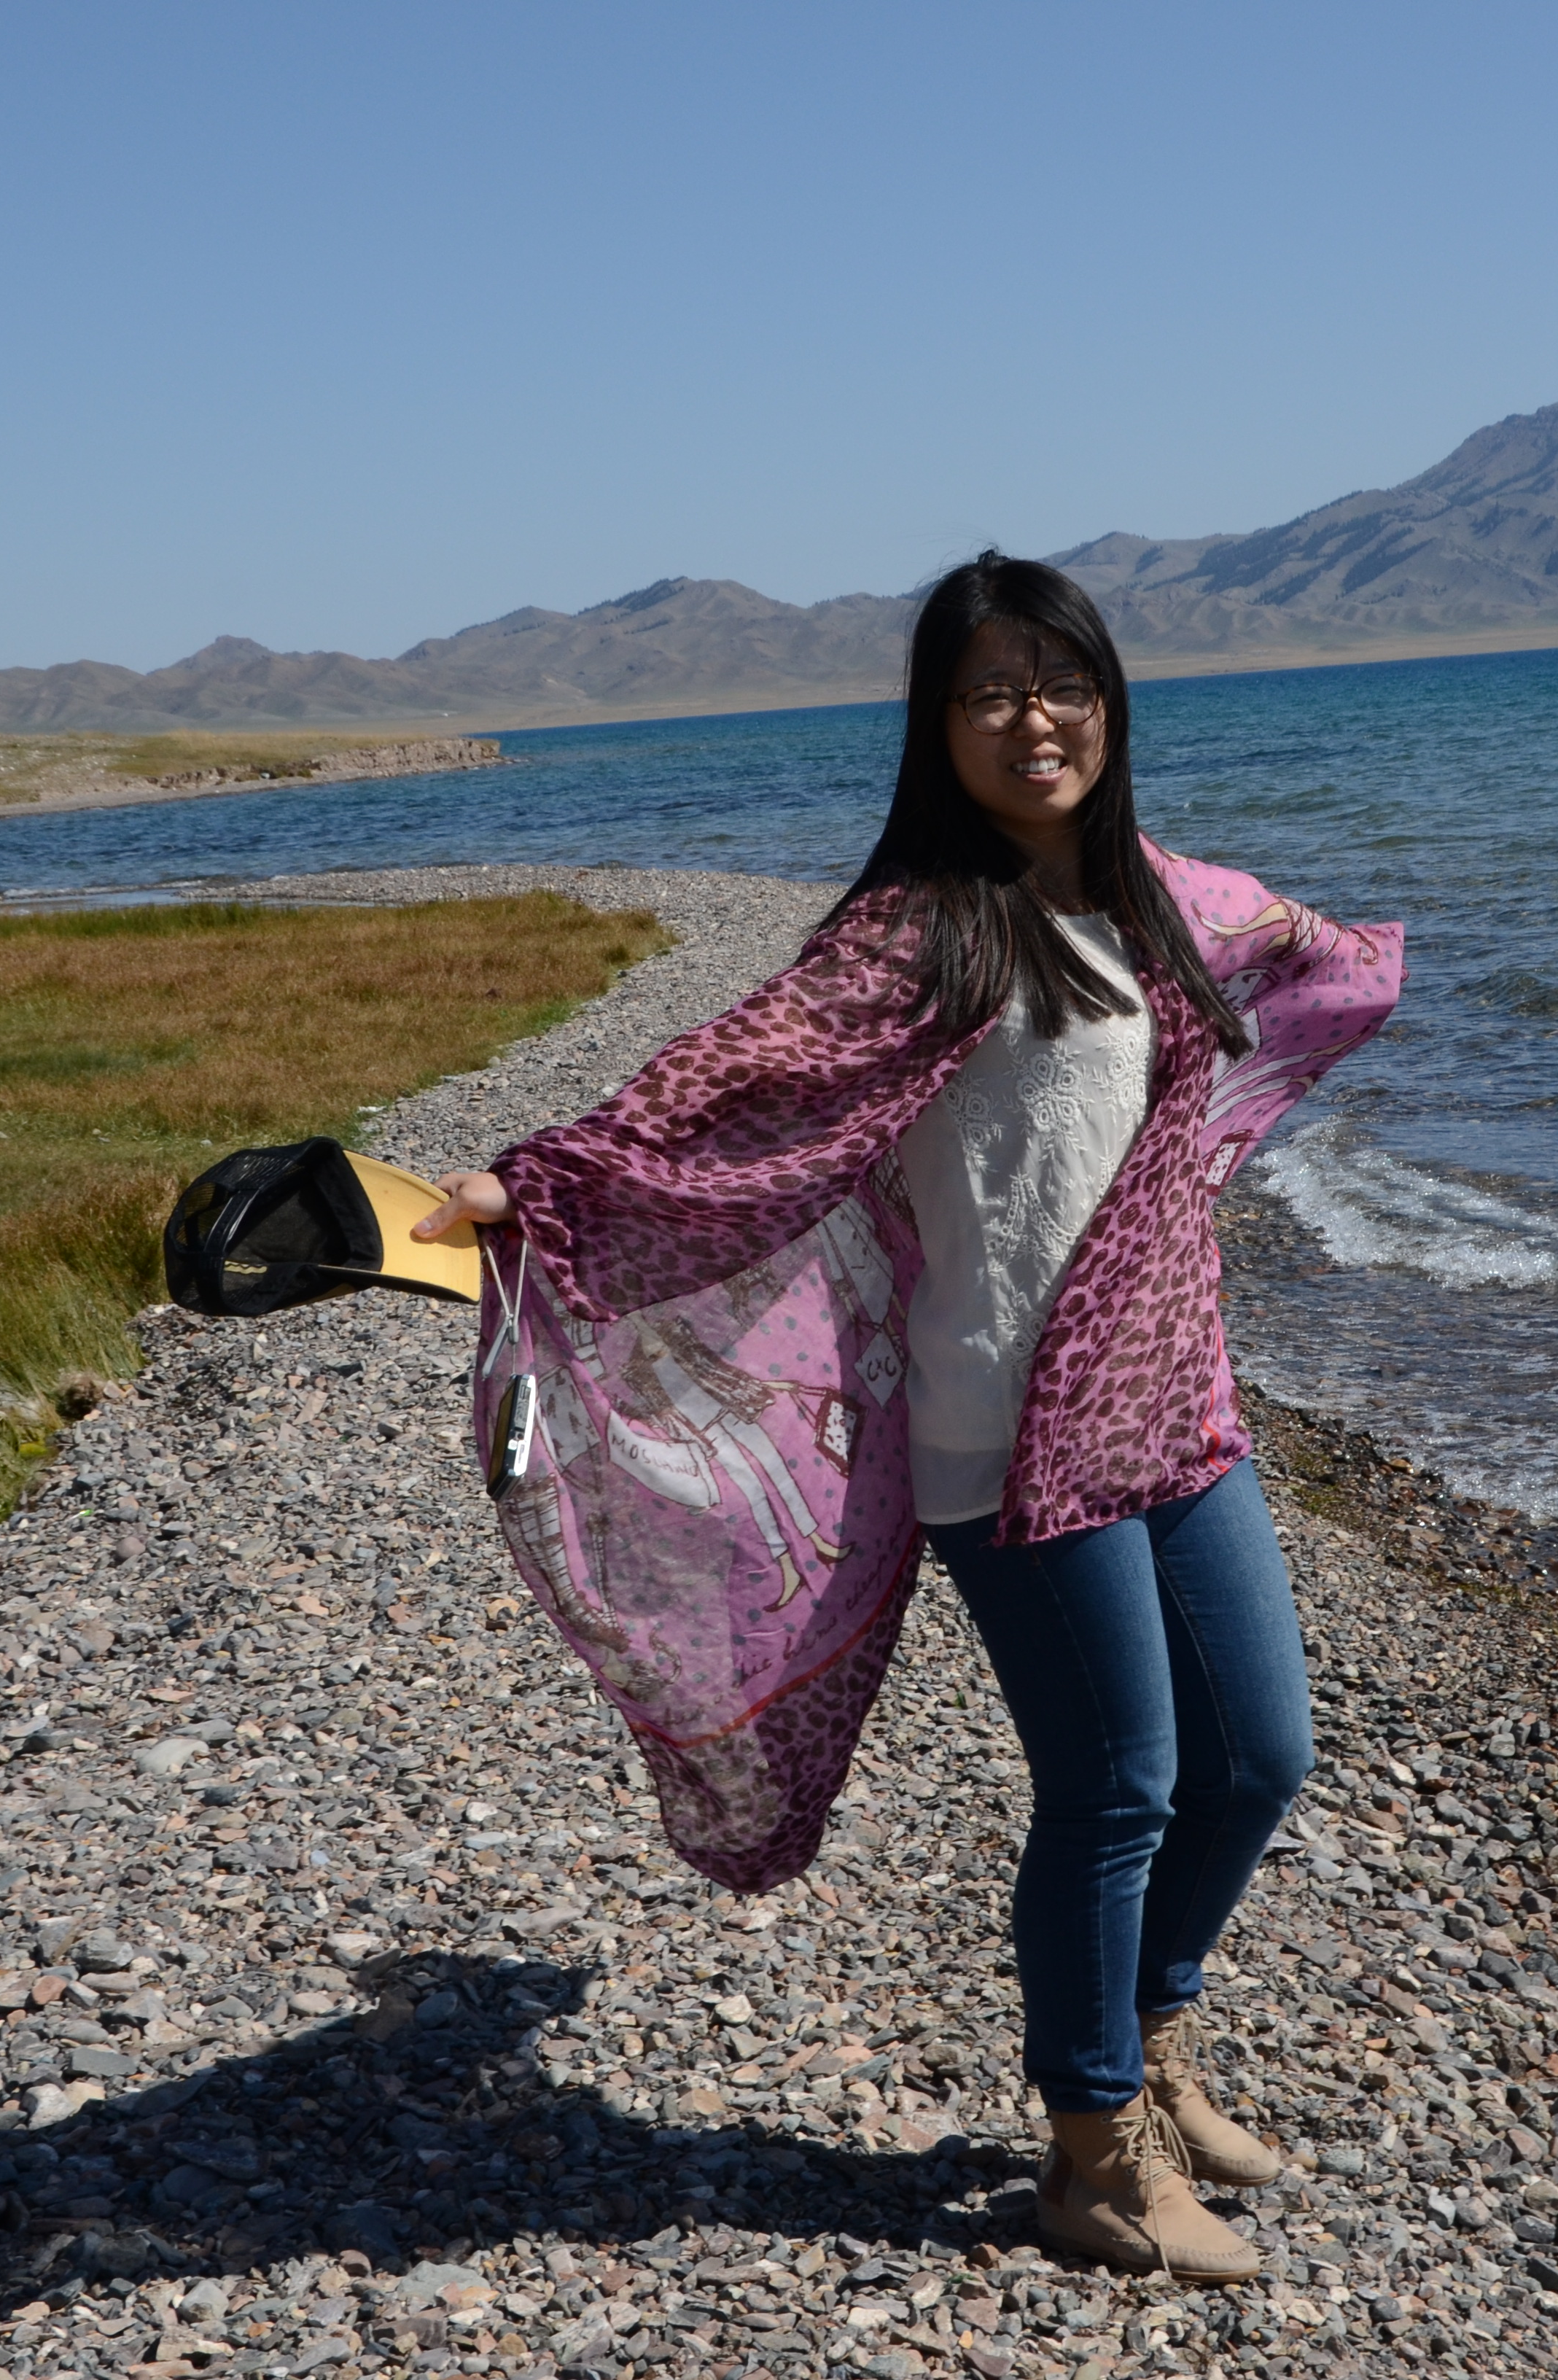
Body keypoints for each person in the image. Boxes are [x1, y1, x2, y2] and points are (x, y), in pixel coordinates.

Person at [409, 552, 1401, 2280]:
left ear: (1110, 703)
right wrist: (542, 1185)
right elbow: (724, 1090)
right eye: (991, 693)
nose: (1036, 722)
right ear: (937, 725)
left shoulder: (1157, 898)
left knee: (1259, 1758)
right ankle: (1092, 2150)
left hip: (1173, 1397)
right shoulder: (911, 934)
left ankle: (1155, 2038)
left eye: (1063, 685)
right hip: (1005, 1434)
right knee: (1116, 1789)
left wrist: (1329, 975)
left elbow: (1295, 959)